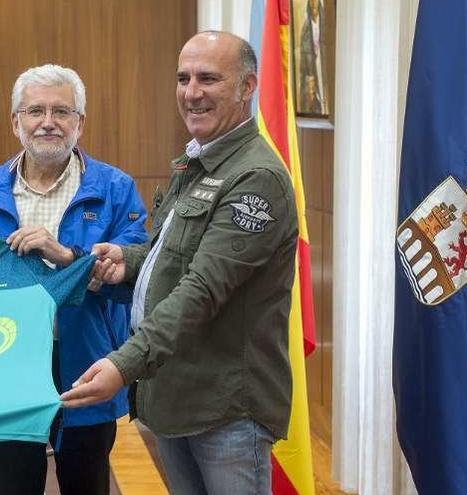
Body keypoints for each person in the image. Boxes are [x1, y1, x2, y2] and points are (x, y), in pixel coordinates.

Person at [61, 31, 299, 495]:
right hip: (177, 394)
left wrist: (123, 364)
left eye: (208, 79)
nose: (191, 93)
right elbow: (169, 258)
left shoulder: (256, 177)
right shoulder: (198, 162)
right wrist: (127, 263)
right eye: (183, 78)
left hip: (227, 407)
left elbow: (201, 290)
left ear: (247, 87)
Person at [0, 64, 147, 495]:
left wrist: (67, 257)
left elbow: (133, 281)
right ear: (16, 122)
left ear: (80, 123)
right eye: (35, 111)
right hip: (7, 366)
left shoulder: (116, 188)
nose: (48, 122)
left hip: (86, 364)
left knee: (86, 484)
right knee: (13, 485)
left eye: (62, 111)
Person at [297, 0, 329, 114]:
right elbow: (303, 60)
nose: (314, 4)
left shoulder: (327, 24)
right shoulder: (306, 28)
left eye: (316, 2)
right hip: (312, 69)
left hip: (324, 66)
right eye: (311, 1)